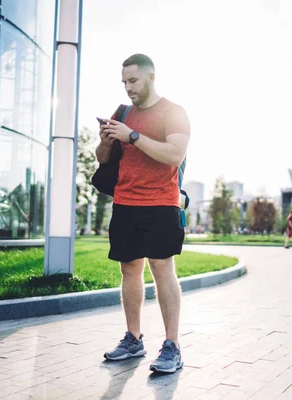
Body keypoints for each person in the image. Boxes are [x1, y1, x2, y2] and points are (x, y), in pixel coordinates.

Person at [95, 54, 190, 374]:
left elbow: (174, 154)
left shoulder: (174, 113)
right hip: (125, 203)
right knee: (129, 271)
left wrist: (132, 136)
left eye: (132, 81)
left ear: (151, 78)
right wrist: (106, 141)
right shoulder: (122, 113)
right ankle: (133, 339)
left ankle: (172, 346)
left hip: (162, 203)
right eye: (124, 82)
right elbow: (103, 157)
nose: (127, 88)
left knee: (163, 270)